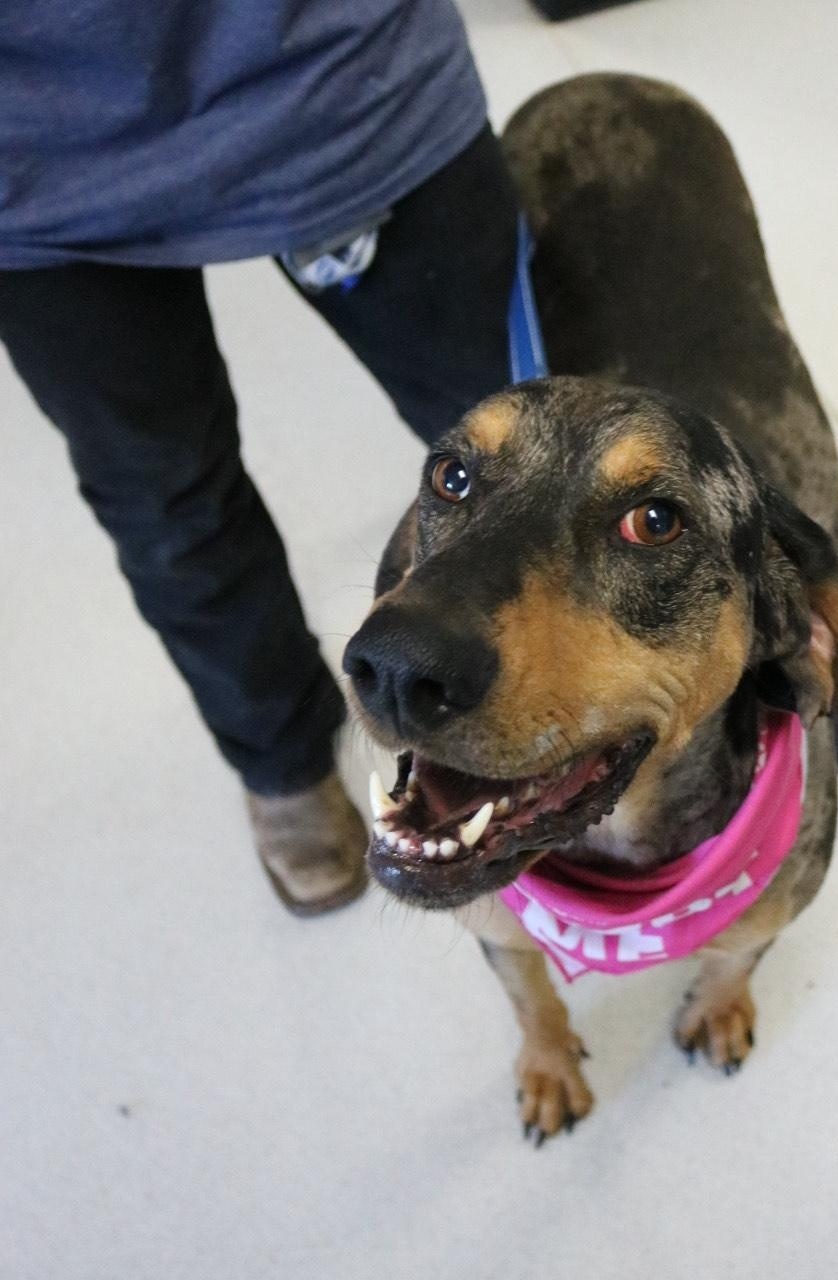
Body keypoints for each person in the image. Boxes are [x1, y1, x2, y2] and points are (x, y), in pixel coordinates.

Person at [0, 2, 520, 914]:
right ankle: (280, 756)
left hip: (332, 67)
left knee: (526, 437)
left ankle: (563, 703)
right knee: (164, 498)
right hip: (35, 153)